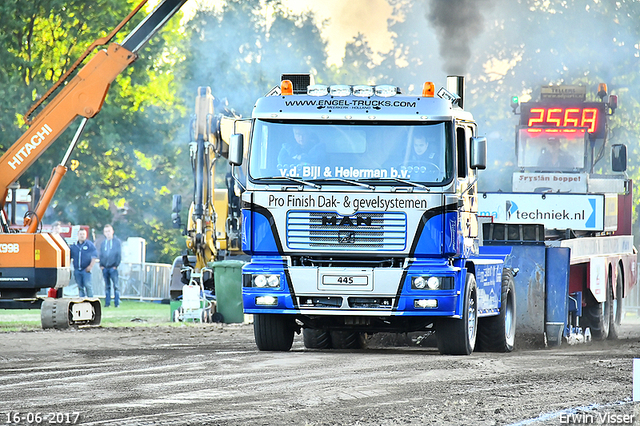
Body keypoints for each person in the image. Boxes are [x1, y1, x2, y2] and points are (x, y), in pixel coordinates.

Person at [69, 228, 97, 298]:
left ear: (86, 235)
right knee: (80, 287)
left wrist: (90, 267)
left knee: (88, 286)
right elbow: (69, 257)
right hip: (77, 270)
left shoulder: (89, 245)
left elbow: (94, 256)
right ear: (78, 235)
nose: (82, 236)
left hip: (86, 270)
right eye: (80, 234)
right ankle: (82, 301)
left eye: (83, 234)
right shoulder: (74, 246)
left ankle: (91, 300)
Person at [100, 224, 122, 308]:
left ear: (112, 231)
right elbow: (101, 254)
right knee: (107, 286)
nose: (108, 233)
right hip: (105, 267)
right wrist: (101, 265)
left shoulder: (117, 242)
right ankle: (107, 303)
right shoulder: (103, 243)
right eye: (106, 231)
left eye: (109, 231)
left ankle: (117, 303)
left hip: (113, 267)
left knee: (116, 286)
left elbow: (119, 254)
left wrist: (116, 265)